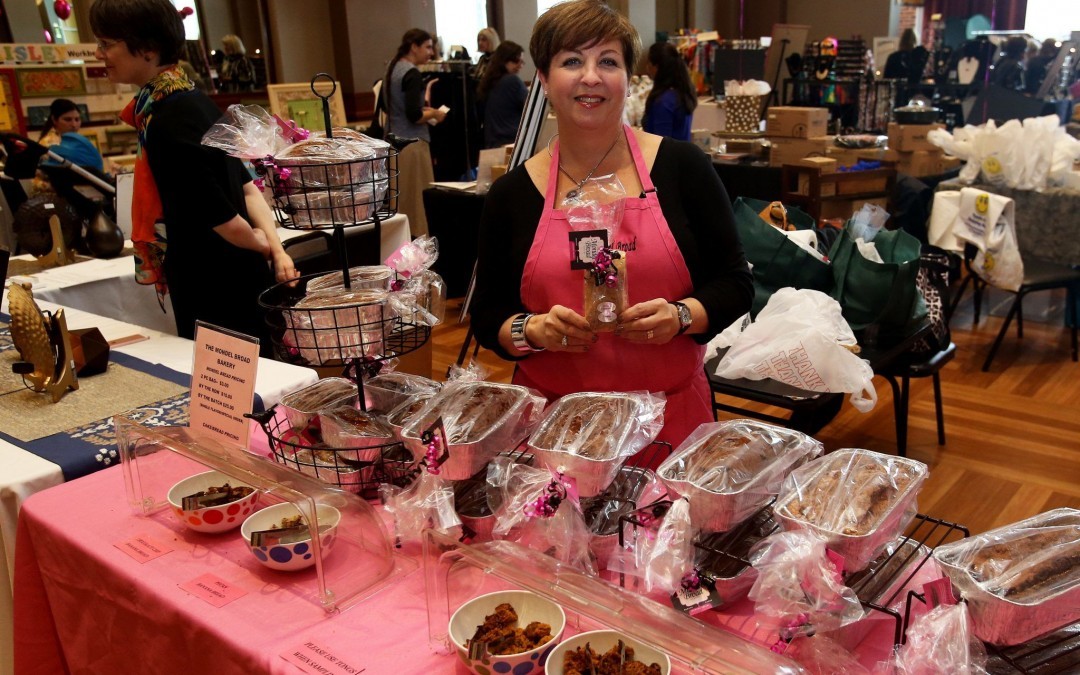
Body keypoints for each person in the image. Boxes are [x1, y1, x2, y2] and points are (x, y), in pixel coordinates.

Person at [470, 0, 753, 449]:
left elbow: (735, 283)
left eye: (608, 61)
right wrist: (533, 331)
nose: (591, 77)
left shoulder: (682, 167)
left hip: (670, 425)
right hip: (554, 431)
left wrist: (681, 316)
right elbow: (488, 316)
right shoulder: (512, 194)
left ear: (628, 76)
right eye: (571, 61)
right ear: (543, 79)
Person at [90, 0, 297, 353]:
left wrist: (264, 244)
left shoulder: (167, 119)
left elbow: (221, 217)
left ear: (148, 48)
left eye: (107, 43)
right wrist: (275, 250)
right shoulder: (192, 100)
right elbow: (247, 188)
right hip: (237, 271)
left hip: (213, 281)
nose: (99, 53)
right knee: (260, 372)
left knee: (230, 381)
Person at [384, 28, 447, 237]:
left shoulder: (392, 68)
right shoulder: (411, 73)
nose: (431, 52)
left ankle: (399, 246)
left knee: (401, 203)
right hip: (412, 144)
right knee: (419, 205)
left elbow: (388, 106)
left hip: (394, 142)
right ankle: (420, 250)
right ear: (414, 47)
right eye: (427, 47)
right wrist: (434, 114)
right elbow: (414, 115)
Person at [642, 41, 697, 142]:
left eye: (649, 63)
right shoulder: (681, 93)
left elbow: (661, 142)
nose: (647, 68)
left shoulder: (664, 101)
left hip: (665, 151)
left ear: (657, 67)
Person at [477, 41, 527, 149]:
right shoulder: (512, 81)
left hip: (492, 145)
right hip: (511, 144)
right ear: (504, 60)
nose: (520, 65)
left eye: (522, 62)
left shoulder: (488, 83)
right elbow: (530, 109)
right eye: (516, 60)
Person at [37, 98, 104, 172]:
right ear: (54, 120)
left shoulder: (77, 140)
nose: (74, 125)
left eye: (77, 119)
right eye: (68, 120)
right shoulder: (49, 144)